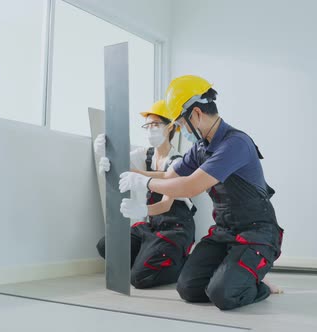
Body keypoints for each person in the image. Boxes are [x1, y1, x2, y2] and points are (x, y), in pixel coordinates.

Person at [118, 75, 284, 310]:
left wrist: (144, 184)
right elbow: (169, 175)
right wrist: (129, 172)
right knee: (188, 289)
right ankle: (237, 274)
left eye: (181, 123)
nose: (182, 129)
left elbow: (190, 186)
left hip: (257, 233)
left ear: (195, 114)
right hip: (224, 232)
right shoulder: (201, 148)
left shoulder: (235, 144)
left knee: (223, 295)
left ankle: (257, 284)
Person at [94, 100, 196, 289]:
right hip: (153, 227)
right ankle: (150, 257)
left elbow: (165, 204)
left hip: (176, 228)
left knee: (139, 279)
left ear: (170, 127)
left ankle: (186, 262)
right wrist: (105, 157)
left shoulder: (178, 161)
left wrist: (142, 208)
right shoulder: (145, 154)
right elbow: (122, 162)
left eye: (156, 124)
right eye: (148, 125)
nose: (151, 130)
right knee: (105, 245)